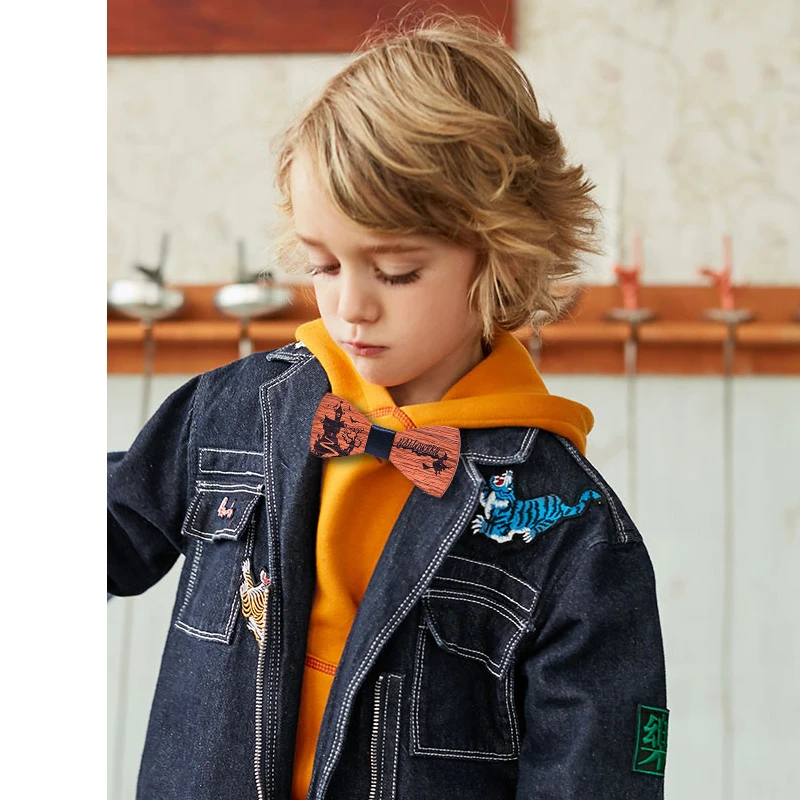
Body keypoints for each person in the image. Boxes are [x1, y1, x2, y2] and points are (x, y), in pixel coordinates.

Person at [108, 12, 668, 800]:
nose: (352, 307)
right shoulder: (230, 414)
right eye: (323, 265)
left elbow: (598, 773)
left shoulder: (572, 531)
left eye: (397, 272)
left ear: (501, 261)